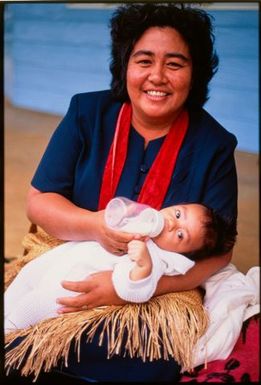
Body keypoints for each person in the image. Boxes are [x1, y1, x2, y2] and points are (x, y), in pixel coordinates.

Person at [6, 3, 238, 383]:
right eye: (144, 60)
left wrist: (134, 287)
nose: (157, 77)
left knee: (155, 357)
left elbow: (220, 250)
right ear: (124, 65)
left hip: (154, 289)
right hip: (70, 258)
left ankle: (35, 356)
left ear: (194, 74)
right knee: (31, 310)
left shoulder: (214, 144)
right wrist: (95, 225)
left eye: (175, 64)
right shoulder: (87, 112)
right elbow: (40, 201)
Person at [4, 202, 236, 333]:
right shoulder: (145, 221)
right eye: (178, 213)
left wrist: (142, 267)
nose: (172, 222)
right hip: (57, 261)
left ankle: (8, 333)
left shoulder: (157, 259)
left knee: (30, 305)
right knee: (20, 283)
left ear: (181, 254)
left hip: (69, 286)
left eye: (180, 234)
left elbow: (133, 291)